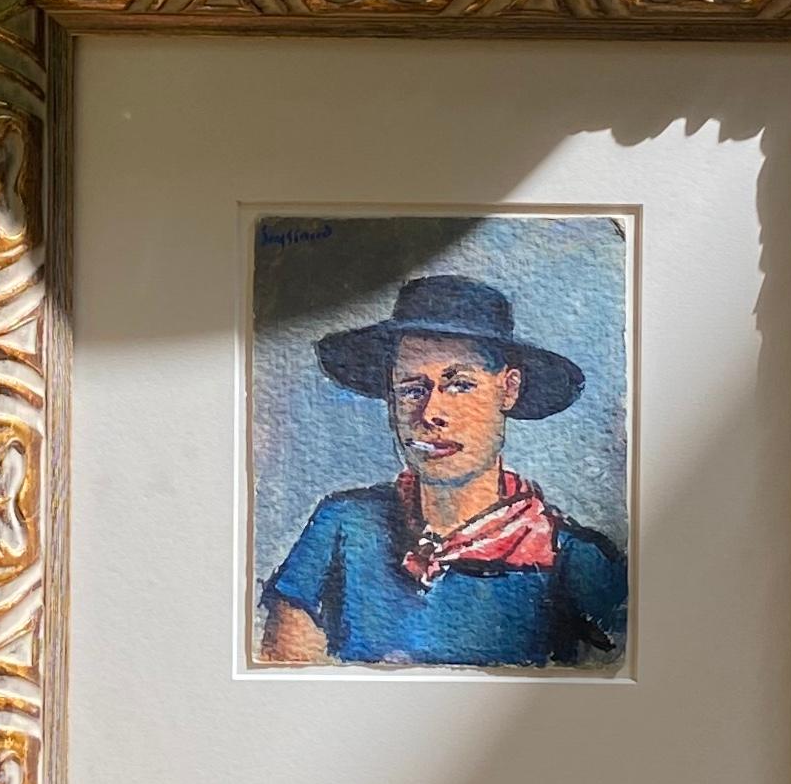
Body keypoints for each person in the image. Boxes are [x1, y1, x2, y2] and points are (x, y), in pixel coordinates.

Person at [258, 272, 627, 670]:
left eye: (460, 385)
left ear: (508, 389)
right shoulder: (342, 527)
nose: (431, 414)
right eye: (412, 389)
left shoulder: (570, 560)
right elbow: (290, 681)